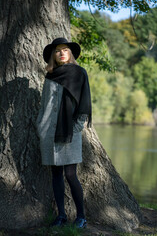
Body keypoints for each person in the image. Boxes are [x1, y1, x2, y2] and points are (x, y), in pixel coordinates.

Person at [36, 38, 92, 228]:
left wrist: (77, 127)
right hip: (49, 131)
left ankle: (81, 217)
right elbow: (45, 104)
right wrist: (40, 125)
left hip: (70, 132)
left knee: (70, 175)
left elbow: (84, 103)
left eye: (65, 49)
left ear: (70, 53)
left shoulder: (79, 73)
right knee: (56, 175)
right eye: (57, 50)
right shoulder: (50, 75)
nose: (61, 53)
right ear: (53, 55)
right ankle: (61, 216)